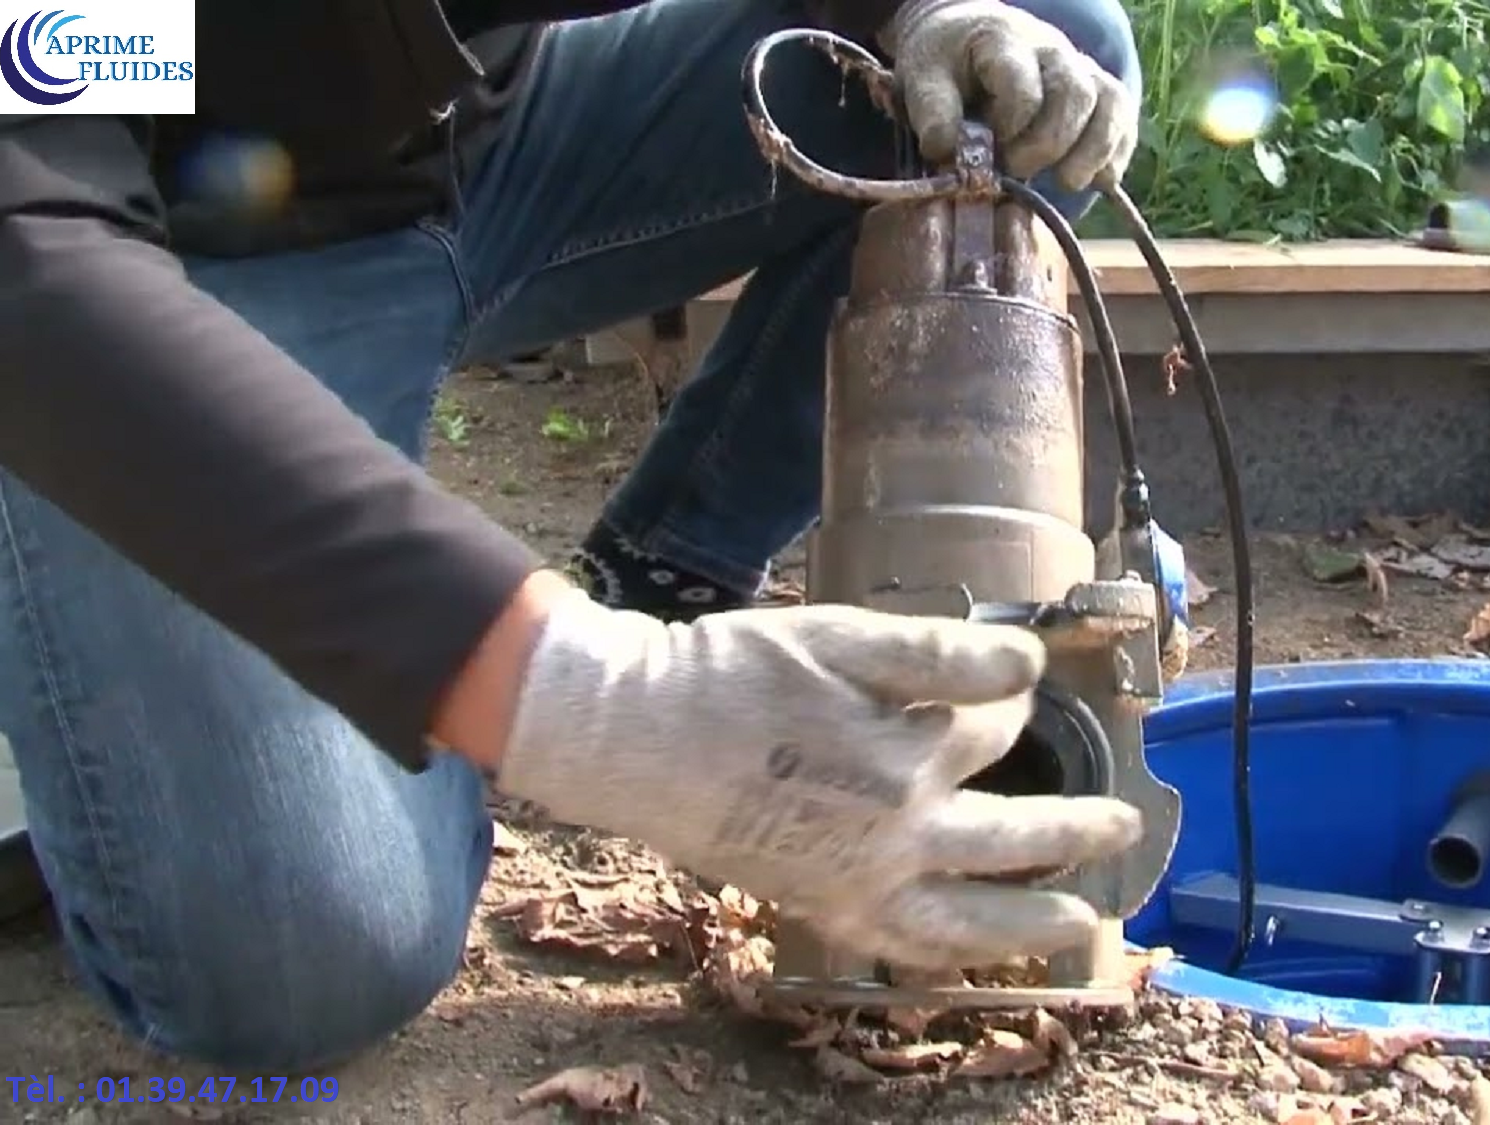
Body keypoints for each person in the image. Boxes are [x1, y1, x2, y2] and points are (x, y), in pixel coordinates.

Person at [0, 0, 1144, 1071]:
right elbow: (29, 254)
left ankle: (661, 578)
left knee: (1039, 53)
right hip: (164, 252)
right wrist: (576, 696)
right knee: (302, 962)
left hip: (490, 138)